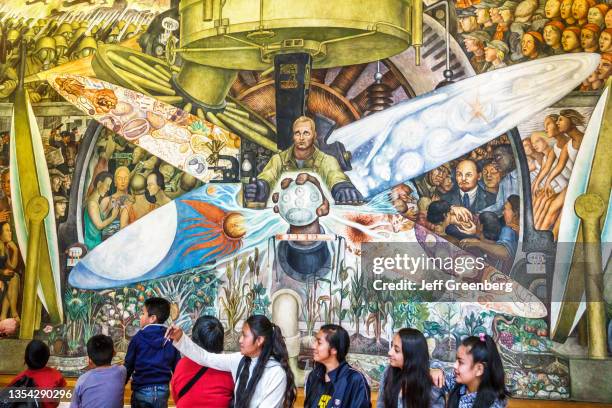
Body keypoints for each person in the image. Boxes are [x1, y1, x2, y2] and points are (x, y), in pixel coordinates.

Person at [167, 314, 297, 408]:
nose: (240, 340)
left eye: (245, 336)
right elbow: (205, 357)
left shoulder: (276, 373)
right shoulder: (239, 360)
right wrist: (180, 338)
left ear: (259, 340)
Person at [245, 116, 361, 204]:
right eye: (297, 133)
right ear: (293, 136)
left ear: (314, 136)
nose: (301, 138)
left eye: (306, 133)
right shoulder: (278, 160)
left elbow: (334, 175)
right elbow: (268, 175)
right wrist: (260, 187)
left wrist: (342, 187)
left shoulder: (327, 161)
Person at [124, 297, 181, 408]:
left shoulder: (137, 338)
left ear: (152, 318)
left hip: (141, 391)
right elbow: (177, 368)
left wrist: (121, 384)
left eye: (143, 313)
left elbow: (128, 366)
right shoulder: (171, 338)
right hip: (162, 392)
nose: (140, 317)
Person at [170, 316, 234, 408]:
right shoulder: (229, 367)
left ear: (194, 338)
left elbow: (176, 397)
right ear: (221, 340)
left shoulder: (183, 364)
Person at [304, 324, 370, 408]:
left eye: (319, 343)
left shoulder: (354, 379)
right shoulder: (313, 376)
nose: (313, 346)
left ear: (334, 350)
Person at [377, 328, 445, 408]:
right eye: (392, 346)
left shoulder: (432, 382)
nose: (389, 352)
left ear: (411, 355)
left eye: (396, 350)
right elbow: (381, 405)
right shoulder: (388, 373)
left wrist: (437, 369)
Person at [443, 334, 509, 408]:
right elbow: (437, 379)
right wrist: (435, 370)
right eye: (456, 360)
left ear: (479, 369)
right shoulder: (454, 380)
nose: (454, 366)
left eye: (461, 362)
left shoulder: (494, 404)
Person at [460, 195, 520, 273]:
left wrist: (478, 243)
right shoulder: (513, 229)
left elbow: (506, 253)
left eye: (505, 209)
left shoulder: (508, 230)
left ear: (515, 213)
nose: (503, 212)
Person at [70, 334, 126, 408]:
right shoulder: (121, 372)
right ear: (114, 353)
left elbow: (74, 406)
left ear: (89, 359)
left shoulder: (82, 380)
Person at [8, 340, 67, 408]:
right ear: (47, 357)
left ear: (26, 357)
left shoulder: (18, 380)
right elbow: (56, 402)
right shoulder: (56, 375)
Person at [480, 145, 518, 216]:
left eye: (498, 157)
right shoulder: (504, 181)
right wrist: (477, 214)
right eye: (494, 159)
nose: (494, 162)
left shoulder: (523, 173)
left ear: (512, 156)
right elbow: (499, 206)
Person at [84, 171, 119, 249]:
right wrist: (113, 217)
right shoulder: (92, 203)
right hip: (92, 244)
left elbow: (99, 219)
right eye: (107, 185)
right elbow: (99, 225)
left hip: (96, 241)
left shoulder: (95, 201)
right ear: (99, 184)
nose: (108, 189)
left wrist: (109, 209)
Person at [0, 221, 19, 321]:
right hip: (1, 275)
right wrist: (3, 273)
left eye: (10, 230)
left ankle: (4, 316)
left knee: (14, 276)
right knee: (13, 278)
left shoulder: (4, 246)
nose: (10, 233)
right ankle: (13, 312)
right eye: (7, 231)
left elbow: (12, 266)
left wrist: (15, 250)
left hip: (3, 276)